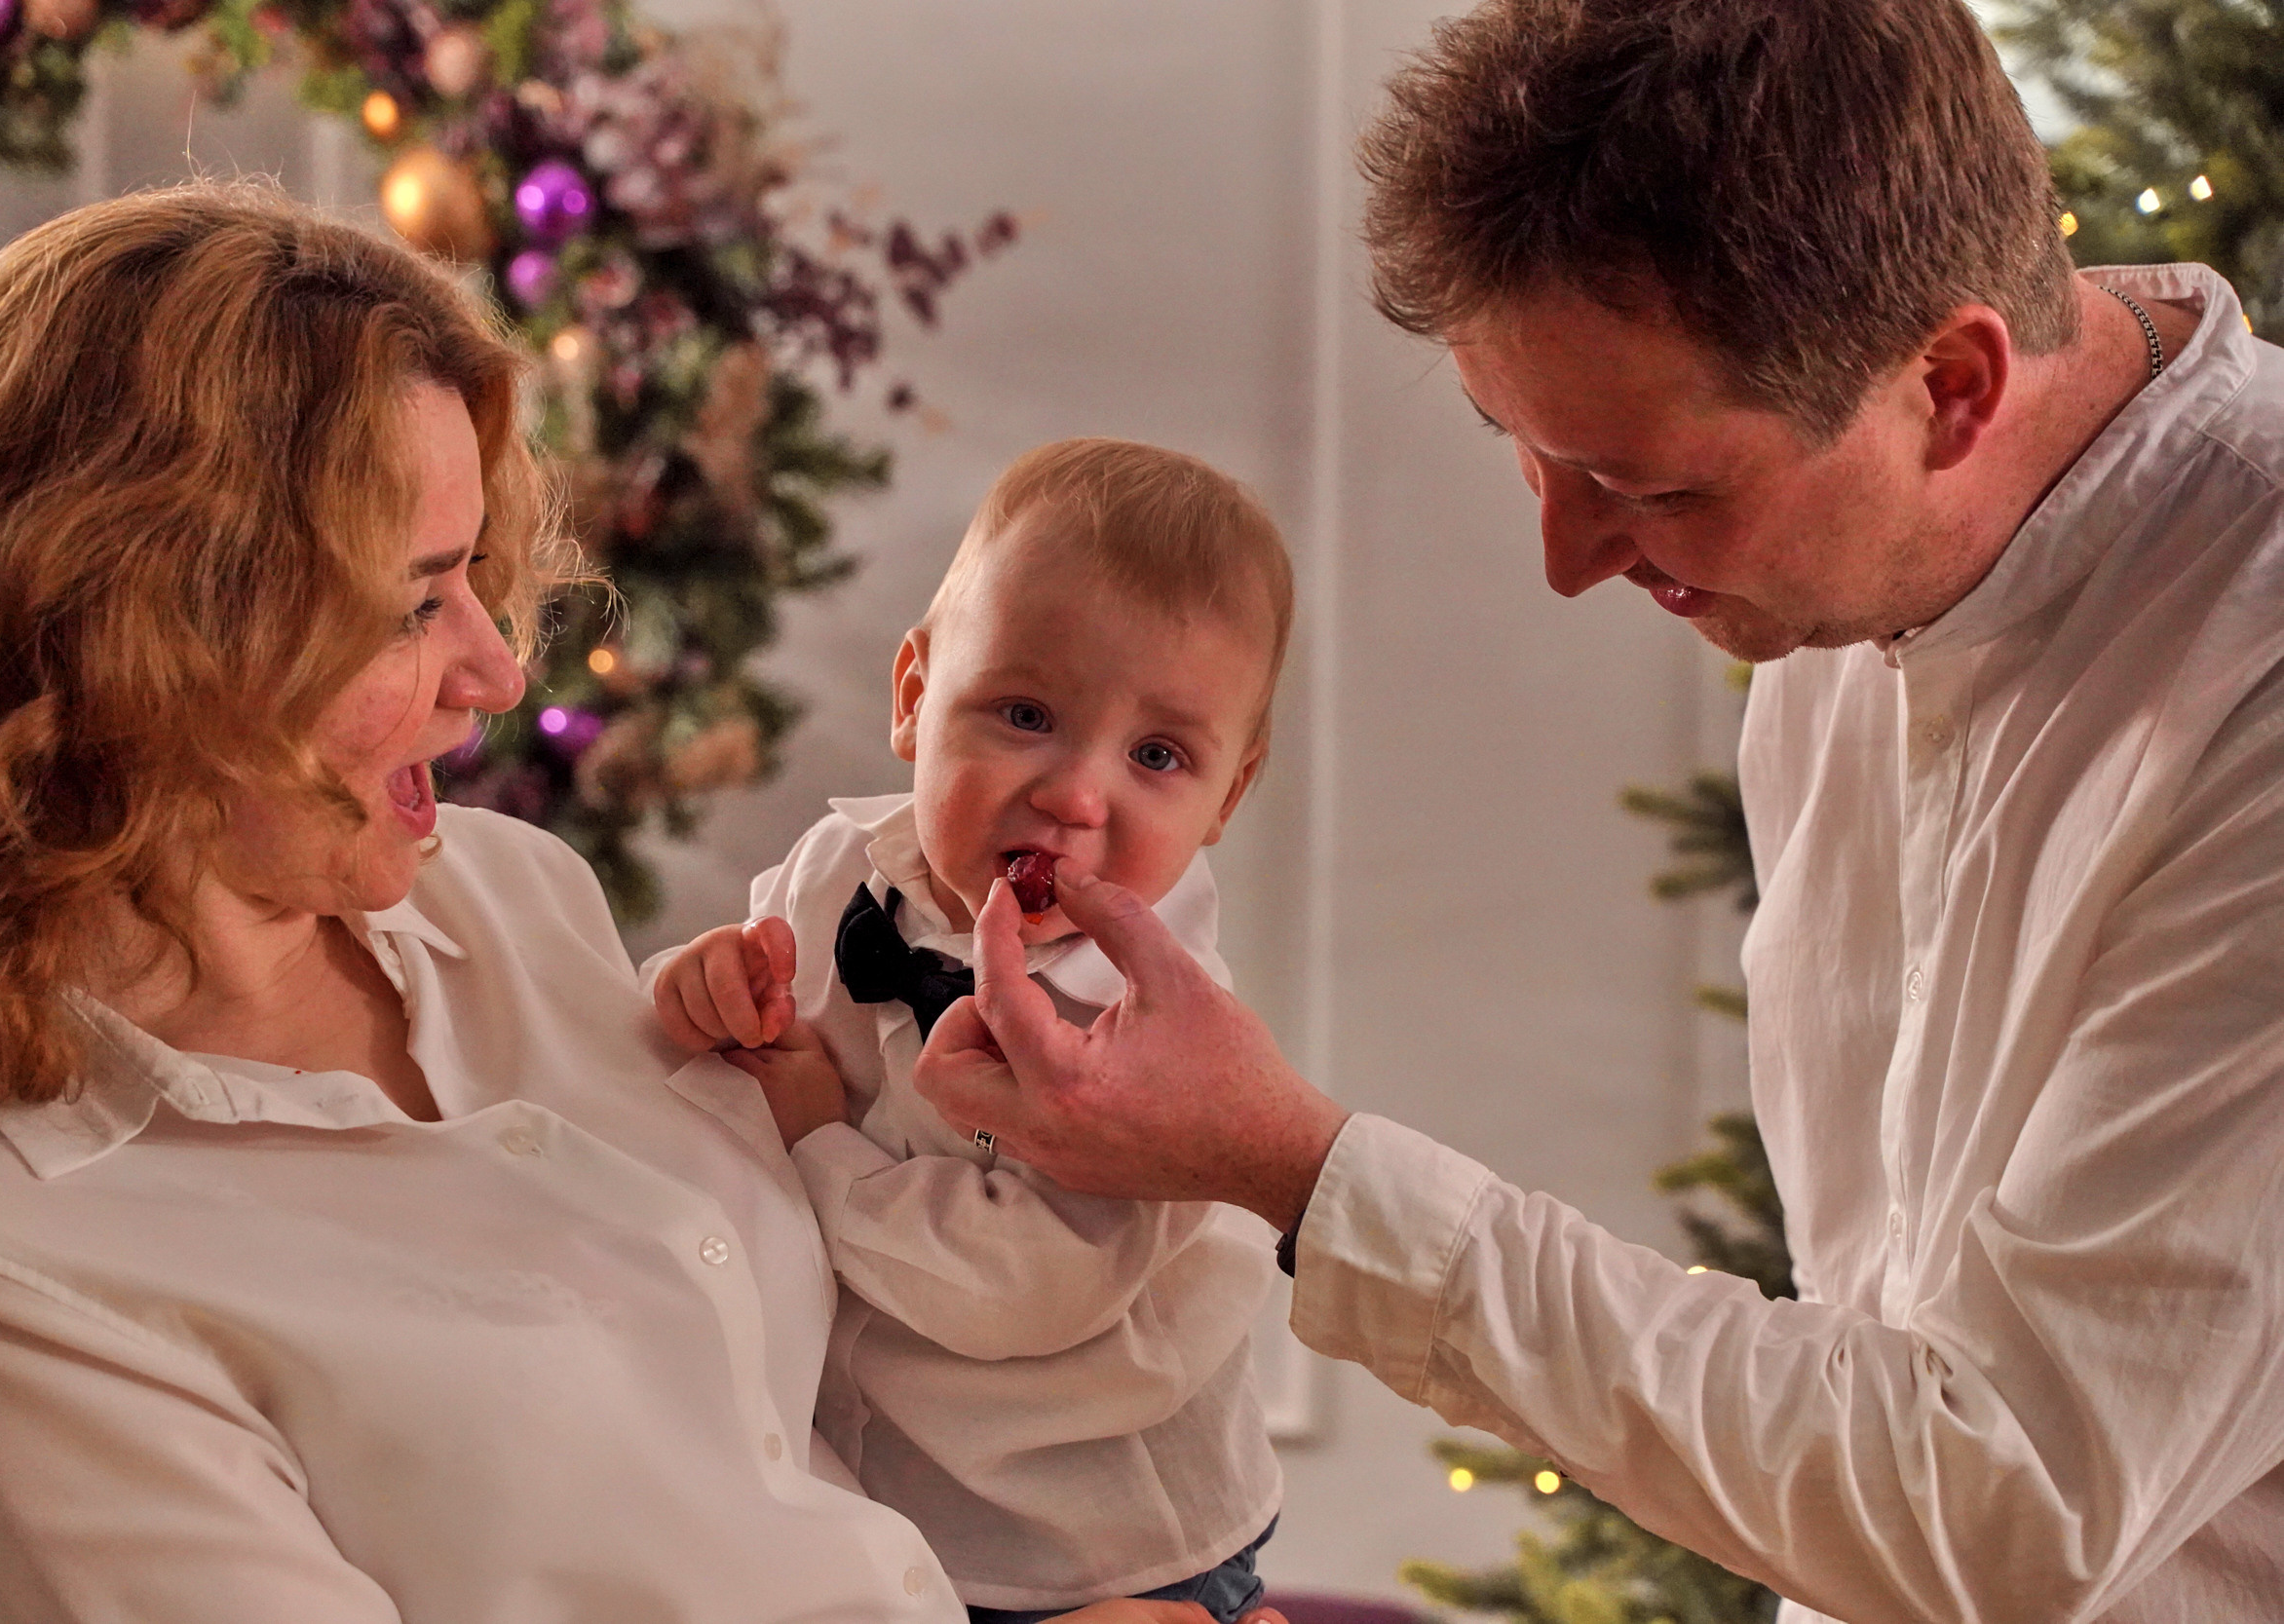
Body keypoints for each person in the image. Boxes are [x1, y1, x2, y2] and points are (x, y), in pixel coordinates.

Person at [914, 2, 2284, 1621]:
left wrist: (1296, 1164)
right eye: (1523, 445)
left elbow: (2005, 1505)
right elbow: (1875, 1348)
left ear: (1952, 384)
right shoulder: (1838, 604)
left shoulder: (2251, 671)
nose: (1569, 560)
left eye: (1655, 486)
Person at [0, 181, 1272, 1624]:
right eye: (415, 603)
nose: (496, 671)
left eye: (476, 572)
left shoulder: (504, 891)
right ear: (151, 644)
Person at [648, 438, 1292, 1624]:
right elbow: (723, 1050)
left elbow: (1021, 1287)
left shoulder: (1158, 1037)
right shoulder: (834, 870)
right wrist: (702, 985)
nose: (1075, 794)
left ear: (1227, 797)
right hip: (875, 1499)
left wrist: (816, 1140)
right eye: (1026, 713)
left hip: (1093, 1545)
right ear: (913, 696)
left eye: (1156, 755)